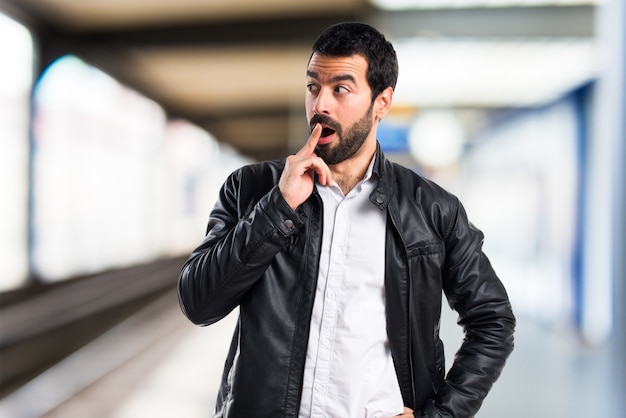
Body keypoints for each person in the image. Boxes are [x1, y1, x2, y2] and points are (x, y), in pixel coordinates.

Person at [178, 22, 515, 418]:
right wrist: (279, 206)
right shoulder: (250, 189)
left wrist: (441, 415)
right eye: (313, 87)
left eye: (341, 89)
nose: (321, 104)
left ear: (382, 102)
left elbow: (492, 321)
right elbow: (198, 303)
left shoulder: (431, 210)